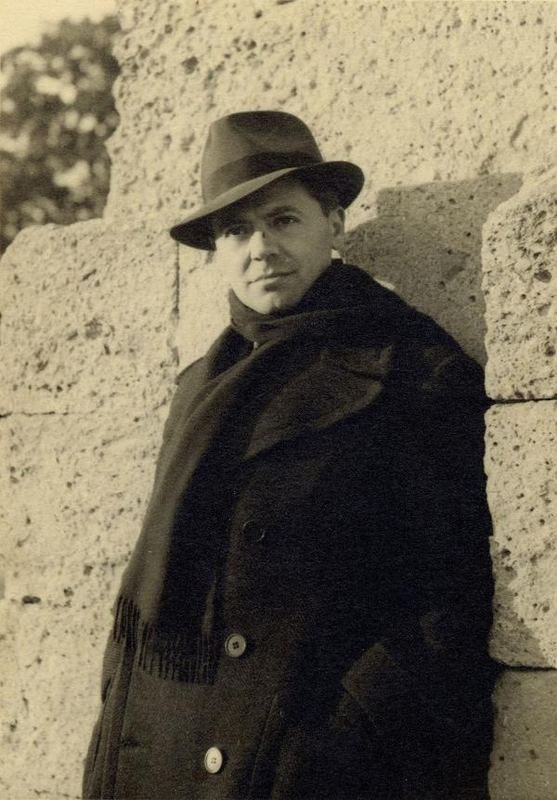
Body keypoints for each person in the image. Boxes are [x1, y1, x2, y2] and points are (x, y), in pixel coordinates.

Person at [83, 111, 496, 799]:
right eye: (237, 231)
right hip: (167, 739)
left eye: (283, 220)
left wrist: (339, 734)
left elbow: (451, 593)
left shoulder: (411, 370)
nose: (261, 249)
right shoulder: (199, 386)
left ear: (333, 223)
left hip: (301, 757)